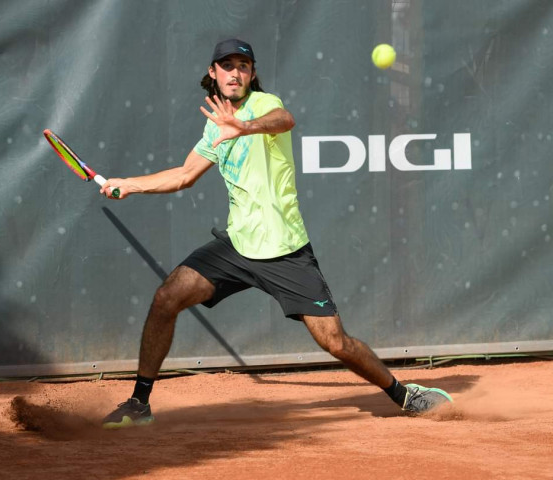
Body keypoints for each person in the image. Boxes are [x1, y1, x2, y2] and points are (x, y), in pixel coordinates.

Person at [100, 38, 452, 429]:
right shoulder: (214, 124)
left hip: (284, 249)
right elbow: (184, 175)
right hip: (237, 244)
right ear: (212, 73)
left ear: (252, 74)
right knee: (167, 297)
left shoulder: (263, 106)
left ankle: (403, 394)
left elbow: (285, 119)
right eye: (227, 65)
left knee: (334, 343)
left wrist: (244, 126)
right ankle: (139, 403)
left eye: (243, 66)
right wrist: (130, 183)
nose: (236, 72)